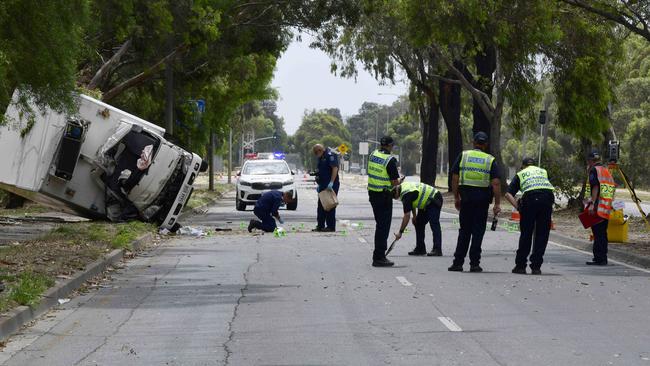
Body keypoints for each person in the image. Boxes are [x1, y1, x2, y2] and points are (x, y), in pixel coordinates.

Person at [448, 131, 501, 273]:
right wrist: (497, 204)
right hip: (482, 200)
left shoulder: (464, 155)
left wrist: (456, 197)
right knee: (478, 231)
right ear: (486, 144)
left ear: (474, 142)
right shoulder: (490, 160)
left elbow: (454, 178)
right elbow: (496, 183)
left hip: (466, 199)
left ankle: (458, 263)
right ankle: (474, 264)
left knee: (464, 231)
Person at [505, 157, 555, 275]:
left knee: (526, 234)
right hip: (546, 200)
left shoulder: (521, 173)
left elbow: (508, 194)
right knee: (542, 234)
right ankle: (536, 267)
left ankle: (521, 266)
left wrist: (518, 207)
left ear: (523, 166)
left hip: (531, 200)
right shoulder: (542, 171)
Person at [368, 136, 401, 267]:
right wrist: (400, 181)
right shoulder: (390, 160)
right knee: (383, 227)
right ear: (390, 145)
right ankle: (379, 257)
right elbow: (394, 182)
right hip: (384, 196)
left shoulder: (372, 154)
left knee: (379, 225)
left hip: (372, 193)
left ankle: (379, 255)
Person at [393, 181, 443, 256]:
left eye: (396, 197)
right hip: (426, 202)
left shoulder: (405, 195)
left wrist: (400, 232)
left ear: (396, 193)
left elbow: (406, 216)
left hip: (434, 198)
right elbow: (412, 202)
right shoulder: (404, 187)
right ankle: (420, 248)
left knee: (434, 223)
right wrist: (415, 216)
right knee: (418, 223)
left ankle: (437, 249)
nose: (397, 198)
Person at [584, 150, 615, 266]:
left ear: (591, 161)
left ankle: (599, 259)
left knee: (598, 233)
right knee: (602, 233)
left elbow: (595, 186)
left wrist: (592, 203)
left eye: (588, 161)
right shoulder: (605, 170)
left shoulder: (594, 170)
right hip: (606, 206)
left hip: (597, 207)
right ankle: (602, 257)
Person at [312, 144, 340, 232]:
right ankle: (320, 225)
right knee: (321, 206)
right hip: (323, 184)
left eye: (316, 152)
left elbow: (335, 169)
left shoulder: (330, 155)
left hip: (331, 185)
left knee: (329, 205)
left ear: (320, 150)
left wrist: (331, 182)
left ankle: (331, 226)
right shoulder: (321, 157)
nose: (316, 154)